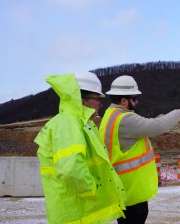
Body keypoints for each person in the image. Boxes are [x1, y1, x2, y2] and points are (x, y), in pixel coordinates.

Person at [34, 72, 126, 224]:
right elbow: (70, 168)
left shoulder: (81, 123)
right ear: (83, 100)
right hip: (76, 213)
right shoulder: (68, 123)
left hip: (82, 210)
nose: (100, 104)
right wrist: (93, 190)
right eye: (97, 99)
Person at [99, 75, 180, 224]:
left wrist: (164, 116)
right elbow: (156, 126)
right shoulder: (125, 119)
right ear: (124, 101)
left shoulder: (111, 115)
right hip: (131, 190)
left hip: (122, 187)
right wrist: (178, 113)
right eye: (134, 98)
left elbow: (148, 122)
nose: (137, 101)